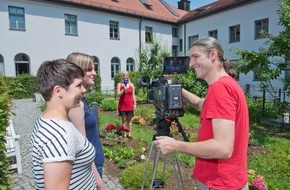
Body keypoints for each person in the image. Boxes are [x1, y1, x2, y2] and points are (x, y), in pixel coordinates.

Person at [154, 37, 249, 190]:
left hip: (219, 183)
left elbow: (223, 148)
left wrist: (176, 145)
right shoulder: (226, 84)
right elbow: (200, 103)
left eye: (195, 57)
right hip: (229, 180)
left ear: (213, 55)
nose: (191, 64)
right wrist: (176, 87)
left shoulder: (220, 89)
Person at [30, 59, 105, 189]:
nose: (83, 90)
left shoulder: (48, 120)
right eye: (78, 85)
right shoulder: (60, 137)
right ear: (58, 91)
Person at [66, 52, 105, 178]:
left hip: (94, 162)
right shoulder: (76, 104)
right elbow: (82, 146)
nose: (94, 73)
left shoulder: (80, 99)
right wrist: (98, 182)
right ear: (78, 72)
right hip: (90, 167)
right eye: (89, 70)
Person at [116, 71, 137, 139]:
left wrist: (135, 104)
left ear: (128, 76)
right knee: (124, 120)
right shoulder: (119, 84)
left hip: (130, 105)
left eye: (126, 76)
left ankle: (129, 134)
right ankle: (124, 133)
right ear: (122, 77)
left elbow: (133, 94)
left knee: (130, 120)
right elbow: (118, 94)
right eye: (124, 76)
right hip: (122, 105)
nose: (125, 77)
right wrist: (123, 90)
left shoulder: (131, 85)